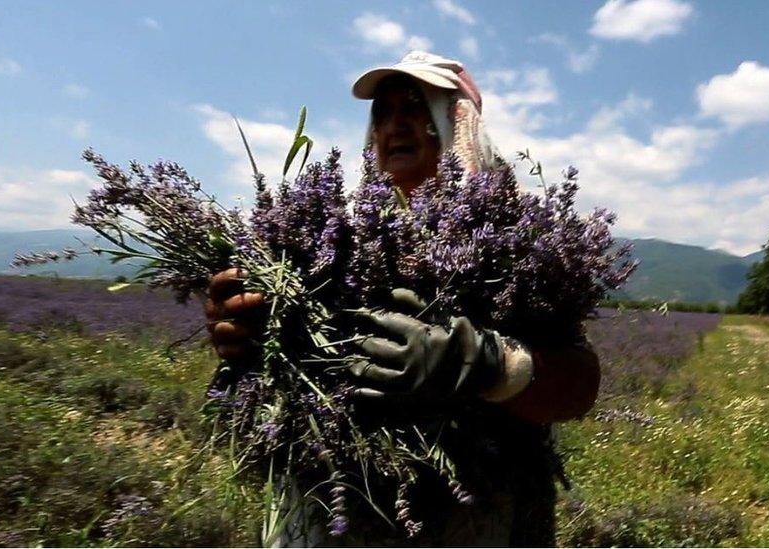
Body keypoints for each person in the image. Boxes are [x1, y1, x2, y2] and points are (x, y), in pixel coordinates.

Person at [205, 51, 601, 546]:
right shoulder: (329, 238)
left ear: (453, 121)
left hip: (472, 521)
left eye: (415, 106)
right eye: (384, 113)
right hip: (334, 518)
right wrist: (245, 330)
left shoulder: (515, 244)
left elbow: (579, 382)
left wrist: (485, 364)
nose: (396, 125)